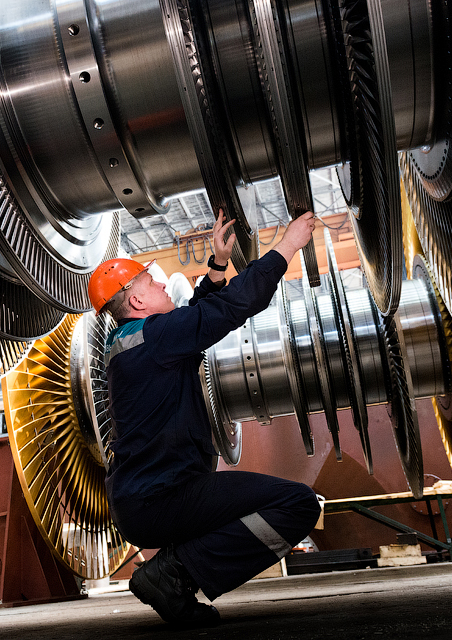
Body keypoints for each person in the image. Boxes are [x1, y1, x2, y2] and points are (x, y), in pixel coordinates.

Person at [86, 210, 323, 627]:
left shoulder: (132, 341)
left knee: (277, 501)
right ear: (138, 301)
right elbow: (231, 308)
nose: (162, 283)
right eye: (152, 283)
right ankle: (174, 572)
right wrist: (287, 246)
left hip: (146, 500)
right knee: (297, 503)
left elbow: (191, 321)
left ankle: (175, 580)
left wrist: (216, 265)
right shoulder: (156, 338)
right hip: (164, 498)